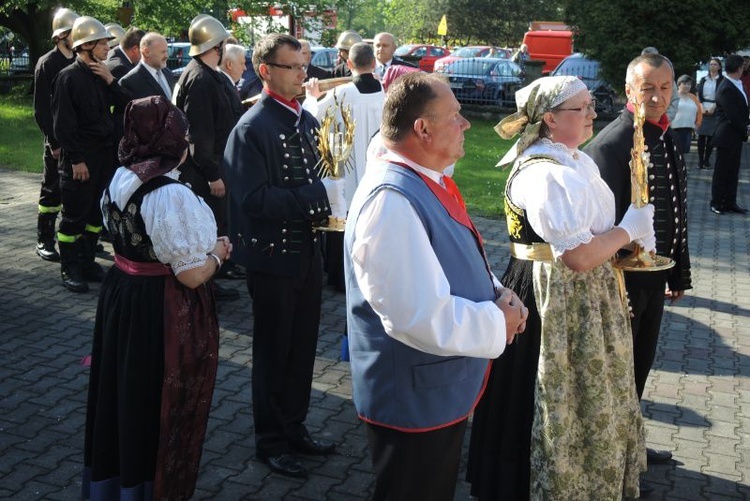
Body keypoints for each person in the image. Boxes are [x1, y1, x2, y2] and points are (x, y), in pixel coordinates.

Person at [345, 72, 528, 501]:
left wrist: (497, 292)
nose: (465, 125)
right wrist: (497, 322)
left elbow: (451, 257)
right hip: (411, 400)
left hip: (430, 390)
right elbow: (416, 315)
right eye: (455, 116)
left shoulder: (425, 179)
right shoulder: (391, 201)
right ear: (422, 129)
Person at [467, 75, 650, 500]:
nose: (592, 114)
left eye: (590, 105)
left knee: (589, 392)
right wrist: (627, 231)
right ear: (550, 119)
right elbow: (577, 257)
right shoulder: (544, 174)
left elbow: (592, 239)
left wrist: (626, 241)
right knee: (549, 394)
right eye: (581, 108)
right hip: (551, 295)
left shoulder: (574, 161)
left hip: (586, 296)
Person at [82, 95, 228, 500]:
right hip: (157, 308)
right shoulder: (169, 193)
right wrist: (218, 254)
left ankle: (118, 486)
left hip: (123, 296)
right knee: (154, 400)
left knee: (124, 393)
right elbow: (192, 274)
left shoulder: (120, 177)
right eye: (181, 134)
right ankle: (150, 488)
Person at [223, 33, 335, 479]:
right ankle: (270, 441)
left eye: (304, 65)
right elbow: (251, 200)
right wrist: (319, 195)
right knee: (273, 353)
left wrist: (333, 198)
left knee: (303, 348)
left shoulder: (303, 121)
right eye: (293, 67)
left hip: (307, 255)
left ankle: (295, 427)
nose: (303, 73)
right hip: (272, 260)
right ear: (266, 70)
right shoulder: (252, 128)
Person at [585, 52, 692, 479]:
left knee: (639, 367)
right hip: (621, 281)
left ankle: (631, 449)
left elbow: (676, 209)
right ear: (629, 89)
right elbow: (599, 224)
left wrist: (677, 272)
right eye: (648, 87)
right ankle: (614, 466)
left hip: (653, 277)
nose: (658, 96)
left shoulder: (662, 135)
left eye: (665, 87)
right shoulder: (611, 144)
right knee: (618, 373)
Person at [52, 16, 129, 293]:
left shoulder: (102, 75)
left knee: (97, 213)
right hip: (81, 160)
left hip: (104, 157)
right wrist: (76, 160)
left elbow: (126, 105)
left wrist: (111, 81)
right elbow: (63, 125)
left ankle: (86, 262)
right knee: (74, 216)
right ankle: (69, 266)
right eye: (103, 44)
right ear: (86, 46)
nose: (108, 48)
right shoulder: (68, 77)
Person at [174, 15, 245, 292]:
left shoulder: (207, 75)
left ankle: (215, 275)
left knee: (217, 223)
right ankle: (206, 285)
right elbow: (200, 135)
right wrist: (213, 175)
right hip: (206, 172)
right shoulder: (200, 79)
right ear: (216, 46)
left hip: (215, 166)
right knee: (208, 227)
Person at [32, 7, 79, 262]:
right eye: (75, 33)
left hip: (76, 141)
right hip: (57, 143)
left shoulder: (76, 61)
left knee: (72, 190)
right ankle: (44, 239)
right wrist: (53, 141)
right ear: (62, 35)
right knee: (52, 190)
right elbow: (41, 109)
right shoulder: (47, 63)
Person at [710, 54, 750, 214]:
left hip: (735, 135)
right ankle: (716, 203)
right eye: (743, 66)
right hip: (726, 135)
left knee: (733, 171)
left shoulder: (738, 83)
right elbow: (732, 115)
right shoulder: (726, 87)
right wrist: (746, 130)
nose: (744, 68)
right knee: (722, 171)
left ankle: (730, 202)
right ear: (739, 68)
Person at [119, 32, 175, 101]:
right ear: (146, 52)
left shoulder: (168, 73)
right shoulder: (129, 82)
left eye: (167, 51)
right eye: (163, 52)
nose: (167, 56)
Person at [696, 58, 724, 169]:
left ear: (719, 67)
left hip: (715, 109)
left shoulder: (722, 80)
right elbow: (699, 94)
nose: (712, 66)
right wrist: (701, 107)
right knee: (701, 136)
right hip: (703, 108)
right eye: (711, 64)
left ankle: (707, 160)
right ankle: (700, 160)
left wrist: (714, 107)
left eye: (715, 64)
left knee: (711, 137)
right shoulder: (704, 79)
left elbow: (722, 95)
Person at [672, 74, 703, 154]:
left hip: (688, 130)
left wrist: (698, 123)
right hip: (674, 129)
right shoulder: (673, 96)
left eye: (689, 84)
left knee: (684, 153)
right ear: (679, 84)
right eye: (684, 84)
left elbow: (699, 112)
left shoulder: (693, 97)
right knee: (675, 153)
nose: (687, 86)